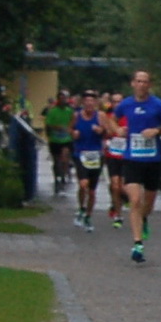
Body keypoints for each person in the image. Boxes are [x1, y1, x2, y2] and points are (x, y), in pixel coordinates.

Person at [101, 70, 161, 264]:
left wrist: (157, 131)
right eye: (138, 81)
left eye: (145, 81)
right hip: (132, 159)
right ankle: (137, 245)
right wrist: (117, 129)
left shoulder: (158, 105)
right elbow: (111, 119)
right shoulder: (126, 104)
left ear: (149, 85)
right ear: (133, 83)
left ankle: (143, 220)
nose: (142, 84)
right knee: (135, 200)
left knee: (148, 205)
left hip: (153, 159)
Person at [70, 89, 106, 231]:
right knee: (83, 184)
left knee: (92, 191)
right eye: (87, 101)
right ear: (83, 103)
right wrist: (74, 133)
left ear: (96, 103)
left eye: (92, 101)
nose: (89, 104)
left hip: (96, 155)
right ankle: (81, 208)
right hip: (80, 153)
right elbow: (69, 130)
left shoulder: (101, 116)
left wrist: (100, 130)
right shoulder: (76, 116)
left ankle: (88, 216)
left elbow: (108, 131)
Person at [101, 91, 128, 227]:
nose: (117, 104)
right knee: (115, 185)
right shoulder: (108, 117)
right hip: (112, 155)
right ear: (111, 103)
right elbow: (106, 133)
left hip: (126, 156)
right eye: (115, 101)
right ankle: (118, 215)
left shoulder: (128, 117)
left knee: (123, 187)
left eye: (120, 101)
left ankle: (118, 203)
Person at [43, 90, 74, 192]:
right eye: (61, 98)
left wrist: (70, 130)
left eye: (65, 98)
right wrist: (56, 128)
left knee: (65, 158)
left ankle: (64, 175)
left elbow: (73, 122)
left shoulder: (70, 111)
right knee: (56, 160)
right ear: (58, 99)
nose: (63, 100)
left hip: (66, 139)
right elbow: (48, 124)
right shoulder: (52, 111)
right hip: (55, 139)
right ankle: (57, 176)